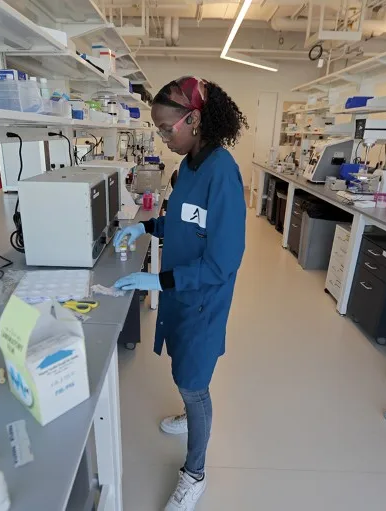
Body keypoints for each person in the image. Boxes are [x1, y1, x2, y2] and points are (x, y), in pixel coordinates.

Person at [113, 76, 248, 511]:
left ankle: (195, 473)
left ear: (193, 119)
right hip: (180, 291)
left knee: (195, 383)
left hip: (202, 298)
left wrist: (159, 281)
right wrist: (146, 227)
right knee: (184, 369)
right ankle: (189, 411)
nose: (163, 137)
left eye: (167, 129)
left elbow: (223, 262)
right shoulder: (187, 166)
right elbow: (183, 221)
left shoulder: (222, 172)